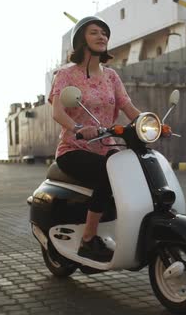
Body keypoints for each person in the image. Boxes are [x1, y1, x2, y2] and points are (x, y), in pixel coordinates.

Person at [48, 16, 142, 262]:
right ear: (81, 40)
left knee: (134, 171)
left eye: (104, 33)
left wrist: (149, 124)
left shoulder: (111, 76)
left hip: (106, 146)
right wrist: (78, 127)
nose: (102, 36)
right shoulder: (66, 75)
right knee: (107, 175)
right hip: (74, 148)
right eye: (94, 32)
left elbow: (128, 107)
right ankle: (88, 240)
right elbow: (58, 112)